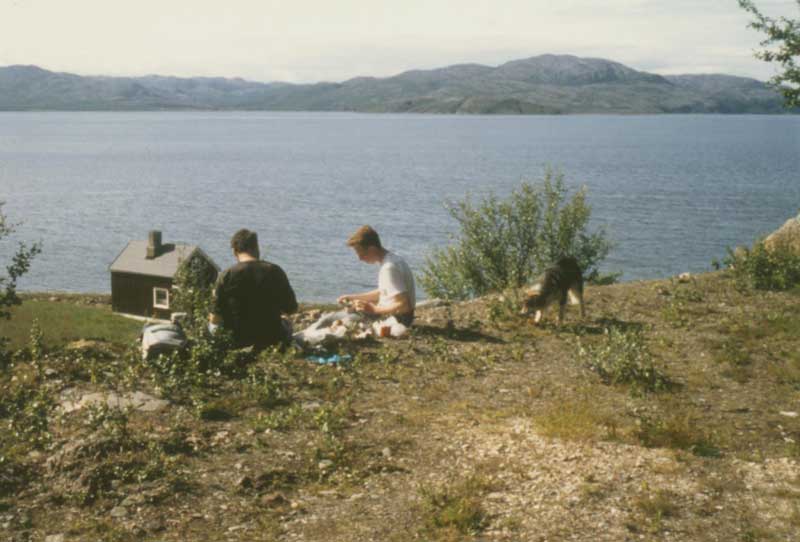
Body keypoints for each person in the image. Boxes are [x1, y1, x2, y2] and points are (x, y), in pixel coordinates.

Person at [209, 229, 297, 350]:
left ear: (235, 251)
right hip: (271, 339)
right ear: (257, 248)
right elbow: (291, 308)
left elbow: (215, 319)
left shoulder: (226, 275)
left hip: (237, 340)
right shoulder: (275, 271)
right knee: (286, 323)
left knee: (212, 326)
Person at [337, 225, 416, 326]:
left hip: (395, 320)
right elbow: (386, 292)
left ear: (372, 249)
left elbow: (404, 305)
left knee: (331, 319)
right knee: (348, 311)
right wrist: (352, 297)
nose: (360, 258)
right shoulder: (393, 260)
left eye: (361, 253)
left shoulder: (389, 268)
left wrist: (374, 309)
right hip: (398, 317)